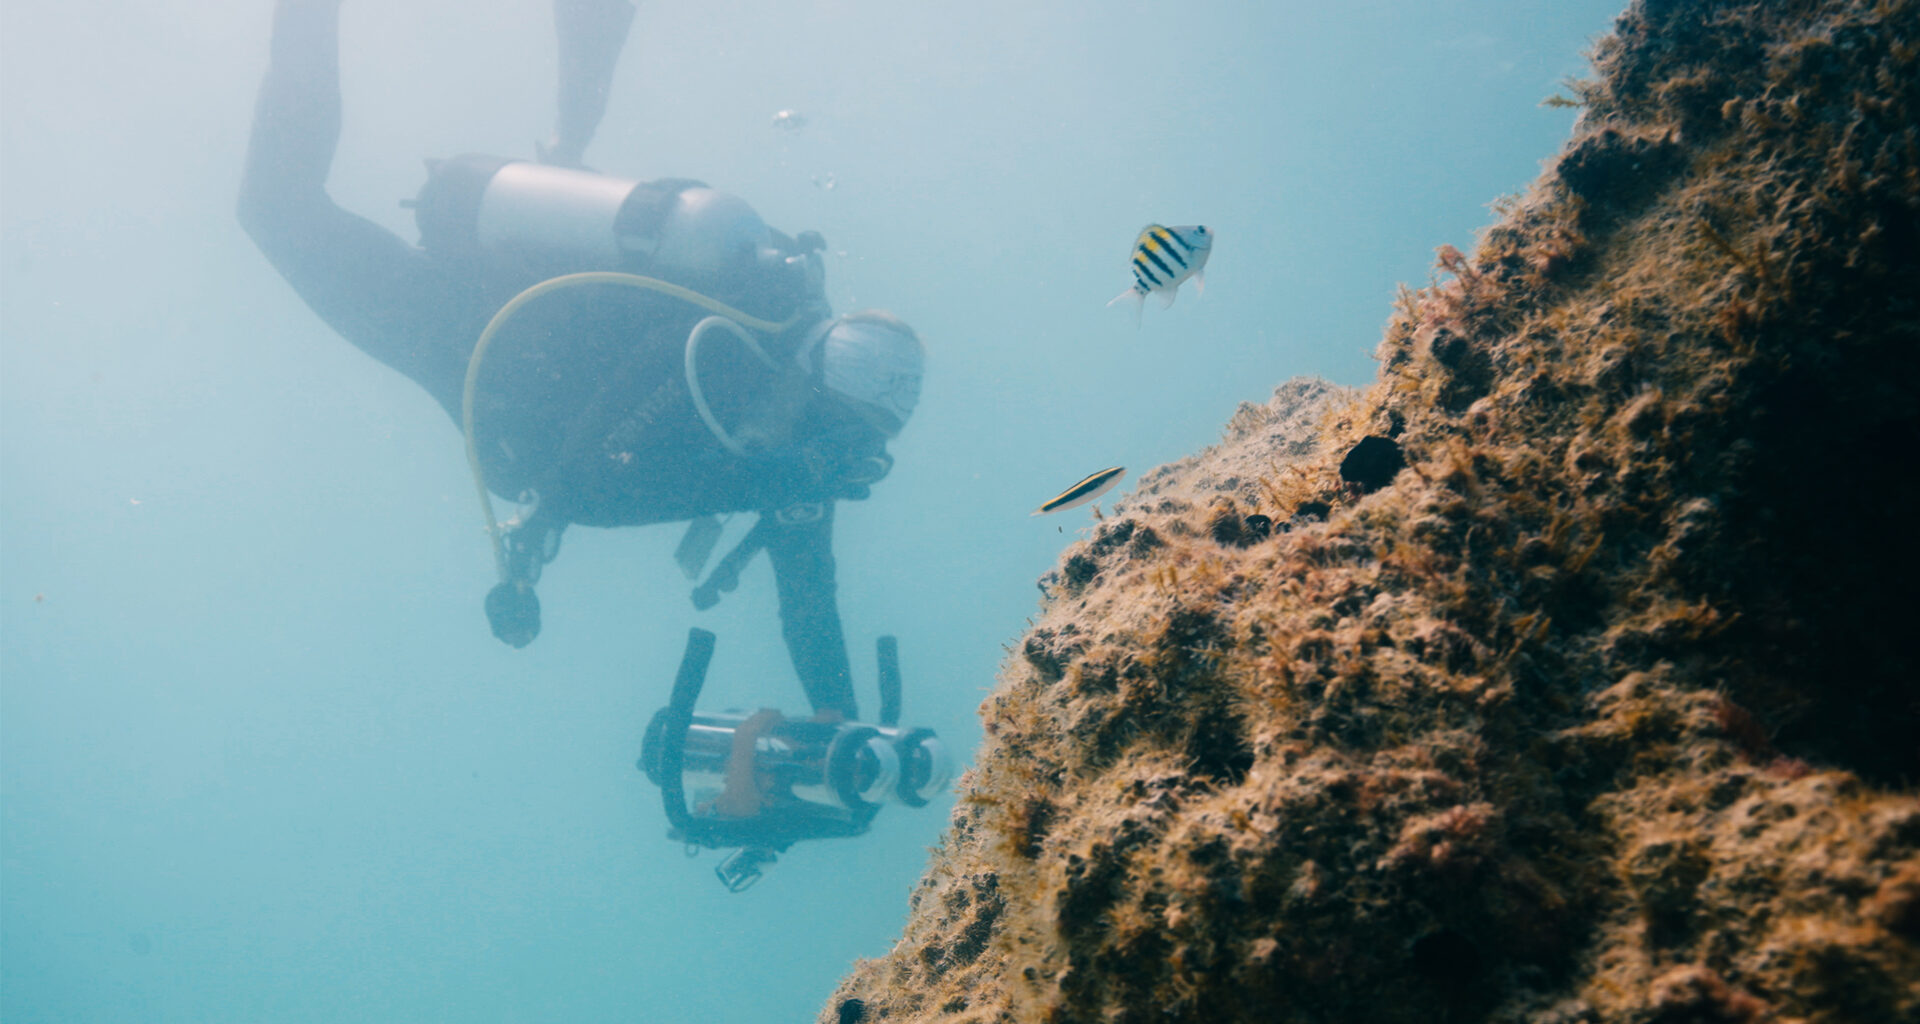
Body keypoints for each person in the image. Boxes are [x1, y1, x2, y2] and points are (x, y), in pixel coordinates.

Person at [238, 0, 923, 721]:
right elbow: (589, 485)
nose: (816, 450)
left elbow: (810, 607)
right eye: (824, 431)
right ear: (811, 382)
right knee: (277, 208)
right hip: (463, 329)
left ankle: (565, 136)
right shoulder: (721, 355)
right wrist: (775, 477)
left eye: (840, 444)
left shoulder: (795, 444)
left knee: (281, 209)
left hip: (496, 357)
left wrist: (844, 730)